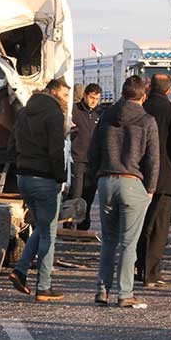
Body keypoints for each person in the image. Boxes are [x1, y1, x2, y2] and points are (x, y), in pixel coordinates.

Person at [89, 76, 159, 307]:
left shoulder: (106, 116)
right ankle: (125, 293)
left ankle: (102, 290)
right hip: (132, 182)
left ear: (121, 93)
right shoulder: (147, 120)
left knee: (108, 240)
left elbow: (93, 152)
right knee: (129, 243)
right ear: (143, 97)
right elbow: (152, 160)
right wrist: (150, 189)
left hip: (106, 181)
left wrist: (96, 176)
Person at [8, 78, 71, 302]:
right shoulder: (54, 114)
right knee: (49, 233)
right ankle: (44, 287)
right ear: (54, 93)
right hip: (44, 178)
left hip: (24, 177)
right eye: (64, 96)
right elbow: (56, 150)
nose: (66, 101)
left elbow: (12, 143)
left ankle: (20, 271)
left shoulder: (24, 112)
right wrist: (60, 178)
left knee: (42, 227)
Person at [135, 74, 171, 287]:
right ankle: (152, 273)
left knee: (140, 224)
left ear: (149, 87)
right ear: (168, 90)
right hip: (166, 176)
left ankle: (139, 267)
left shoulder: (141, 110)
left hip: (139, 175)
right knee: (159, 227)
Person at [69, 83, 102, 230]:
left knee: (89, 194)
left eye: (97, 99)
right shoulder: (75, 110)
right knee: (76, 193)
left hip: (93, 161)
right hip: (78, 159)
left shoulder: (100, 114)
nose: (94, 101)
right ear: (85, 96)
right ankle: (70, 223)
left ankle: (84, 225)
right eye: (91, 98)